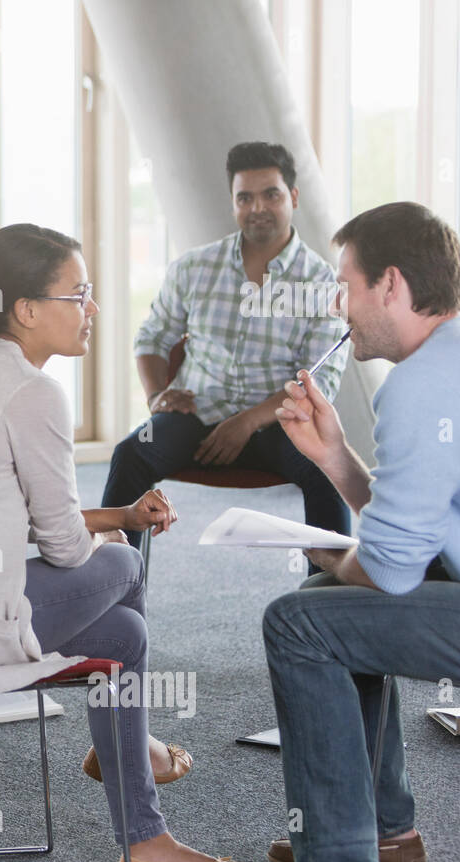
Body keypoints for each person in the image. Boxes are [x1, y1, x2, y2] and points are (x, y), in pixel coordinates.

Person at [0, 223, 242, 862]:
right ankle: (133, 743)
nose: (93, 308)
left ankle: (145, 842)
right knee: (124, 563)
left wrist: (118, 512)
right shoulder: (33, 391)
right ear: (27, 310)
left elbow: (26, 521)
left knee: (123, 636)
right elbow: (68, 551)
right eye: (80, 293)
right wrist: (116, 532)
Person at [261, 201, 460, 862]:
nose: (340, 307)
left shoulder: (423, 385)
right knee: (324, 599)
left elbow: (391, 571)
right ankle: (386, 834)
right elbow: (413, 527)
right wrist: (334, 455)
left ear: (389, 285)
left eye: (346, 286)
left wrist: (327, 550)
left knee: (297, 621)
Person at [102, 142, 350, 566]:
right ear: (233, 202)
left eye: (270, 194)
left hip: (277, 423)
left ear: (293, 196)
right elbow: (151, 338)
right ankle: (112, 583)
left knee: (326, 468)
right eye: (245, 197)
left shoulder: (323, 285)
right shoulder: (194, 268)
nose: (257, 207)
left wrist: (247, 421)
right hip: (195, 416)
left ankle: (326, 594)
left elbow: (318, 380)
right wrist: (156, 395)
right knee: (131, 452)